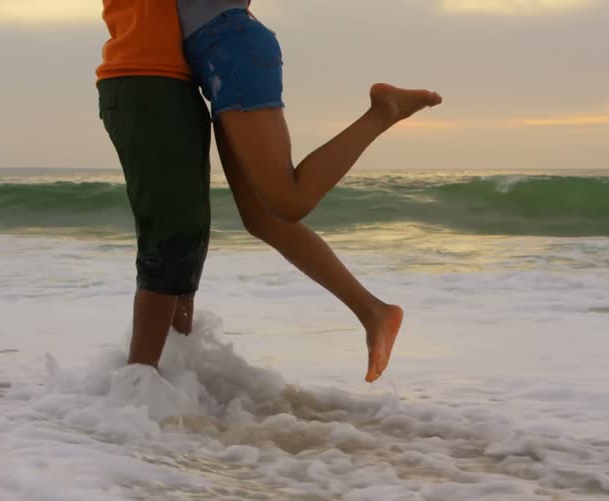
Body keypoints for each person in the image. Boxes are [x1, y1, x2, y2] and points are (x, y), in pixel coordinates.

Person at [179, 1, 443, 382]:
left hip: (230, 48)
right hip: (214, 53)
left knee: (289, 201)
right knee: (262, 219)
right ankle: (374, 312)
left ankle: (384, 111)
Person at [97, 0, 212, 368]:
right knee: (169, 237)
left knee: (189, 238)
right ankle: (139, 385)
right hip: (145, 78)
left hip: (174, 82)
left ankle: (176, 374)